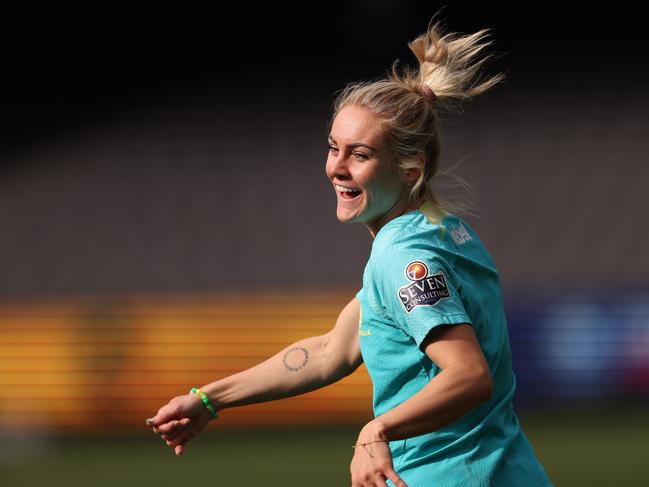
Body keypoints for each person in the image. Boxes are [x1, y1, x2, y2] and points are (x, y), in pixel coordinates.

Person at [146, 16, 554, 487]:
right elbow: (330, 351)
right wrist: (209, 398)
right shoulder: (443, 231)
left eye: (359, 155)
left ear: (409, 169)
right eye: (333, 148)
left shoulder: (401, 255)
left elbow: (468, 376)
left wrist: (376, 430)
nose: (336, 169)